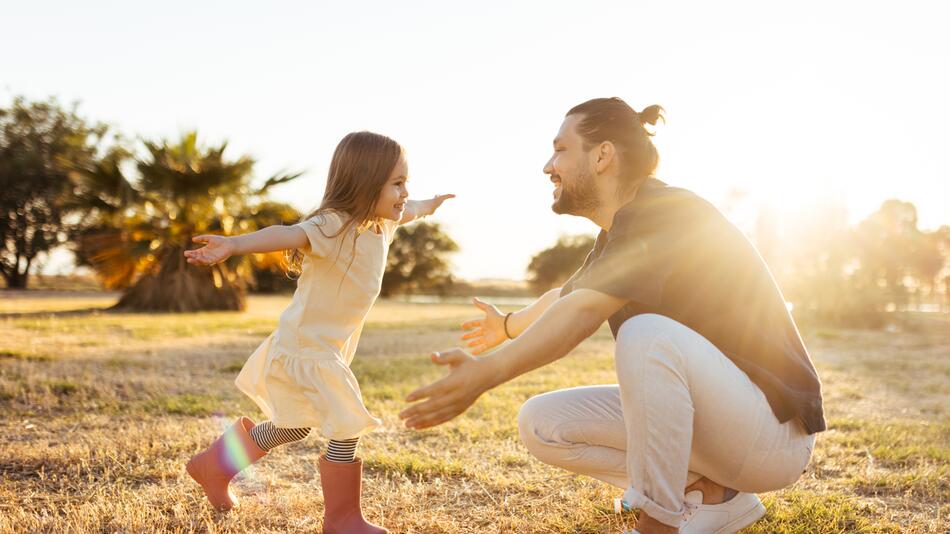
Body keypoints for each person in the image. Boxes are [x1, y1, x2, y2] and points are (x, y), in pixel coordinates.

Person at [400, 98, 824, 534]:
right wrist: (506, 325)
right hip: (725, 427)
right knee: (542, 423)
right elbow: (564, 298)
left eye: (561, 149)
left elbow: (582, 311)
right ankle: (712, 497)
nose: (549, 166)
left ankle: (658, 523)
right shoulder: (620, 232)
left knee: (646, 335)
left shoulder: (668, 212)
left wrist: (485, 374)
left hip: (772, 434)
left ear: (603, 155)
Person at [183, 131, 453, 534]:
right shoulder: (332, 225)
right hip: (306, 349)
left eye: (406, 182)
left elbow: (411, 208)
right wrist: (235, 244)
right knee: (346, 423)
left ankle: (213, 466)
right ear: (365, 182)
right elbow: (286, 233)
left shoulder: (382, 224)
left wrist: (430, 205)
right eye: (396, 183)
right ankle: (342, 520)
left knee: (294, 425)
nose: (404, 192)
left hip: (324, 349)